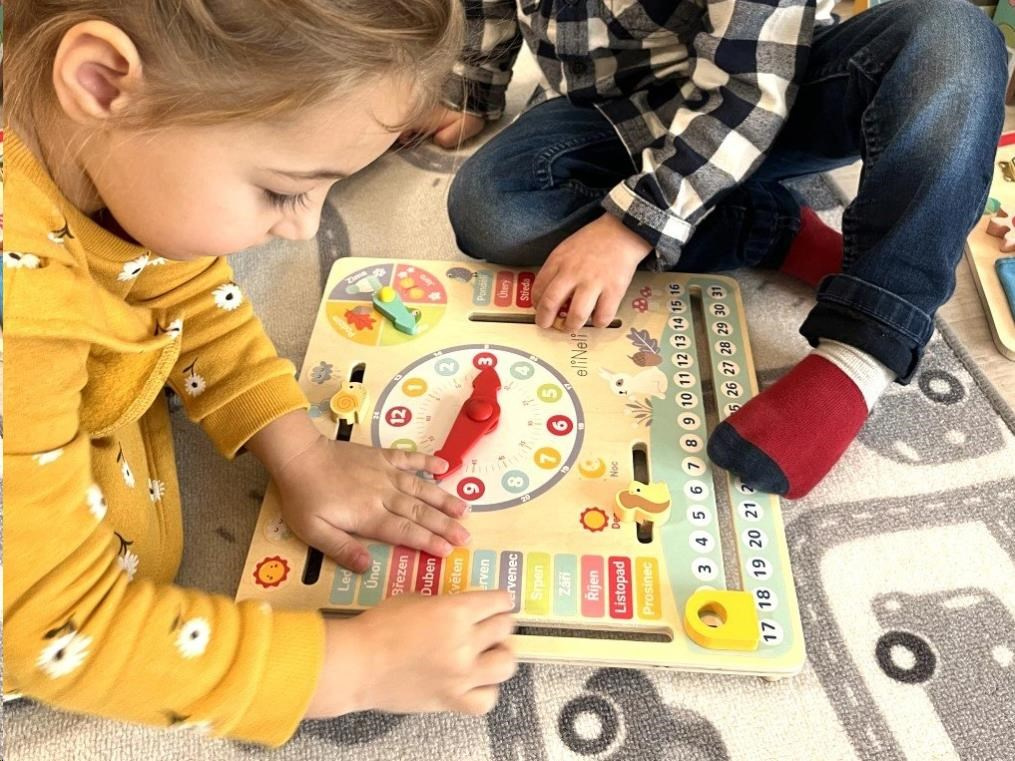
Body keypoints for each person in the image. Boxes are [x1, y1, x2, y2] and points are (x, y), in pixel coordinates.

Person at [3, 0, 516, 747]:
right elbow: (57, 626)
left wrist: (298, 450)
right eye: (281, 189)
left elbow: (178, 284)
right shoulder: (19, 320)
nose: (304, 228)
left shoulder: (90, 149)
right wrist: (351, 668)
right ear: (102, 81)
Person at [428, 0, 1007, 498]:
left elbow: (753, 85)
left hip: (774, 92)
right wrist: (474, 87)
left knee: (955, 36)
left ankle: (862, 353)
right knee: (493, 208)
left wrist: (635, 225)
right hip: (619, 107)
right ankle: (774, 228)